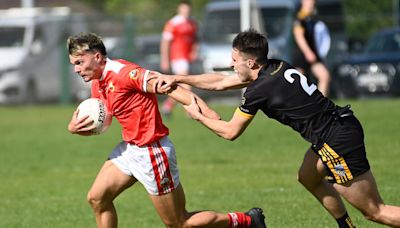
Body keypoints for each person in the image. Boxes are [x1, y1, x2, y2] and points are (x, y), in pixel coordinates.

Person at [154, 29, 400, 228]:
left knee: (374, 211)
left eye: (234, 60)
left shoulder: (258, 90)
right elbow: (220, 82)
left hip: (336, 141)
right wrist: (179, 78)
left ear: (250, 62)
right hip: (339, 126)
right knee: (308, 176)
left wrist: (198, 116)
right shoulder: (276, 66)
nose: (230, 64)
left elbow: (230, 132)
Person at [66, 32, 266, 228]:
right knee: (97, 199)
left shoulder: (124, 73)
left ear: (97, 56)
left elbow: (169, 87)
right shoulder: (97, 83)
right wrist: (76, 128)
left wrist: (206, 111)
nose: (76, 69)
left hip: (152, 152)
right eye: (73, 64)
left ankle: (247, 221)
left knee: (179, 222)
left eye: (79, 62)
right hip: (130, 149)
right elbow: (103, 121)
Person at [160, 0, 198, 117]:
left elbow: (195, 39)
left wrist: (194, 51)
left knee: (181, 85)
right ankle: (190, 110)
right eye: (184, 9)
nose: (186, 11)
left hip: (187, 58)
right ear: (179, 9)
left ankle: (168, 105)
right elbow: (165, 42)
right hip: (177, 57)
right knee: (187, 83)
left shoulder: (192, 23)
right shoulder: (173, 23)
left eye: (188, 9)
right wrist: (164, 59)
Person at [292, 0, 331, 97]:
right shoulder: (299, 18)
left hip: (313, 54)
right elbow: (299, 37)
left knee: (324, 76)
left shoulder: (312, 18)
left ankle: (321, 105)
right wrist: (307, 52)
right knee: (297, 83)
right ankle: (295, 106)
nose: (312, 2)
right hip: (301, 55)